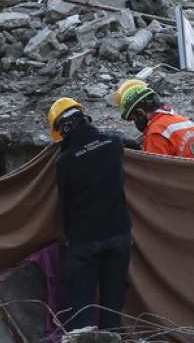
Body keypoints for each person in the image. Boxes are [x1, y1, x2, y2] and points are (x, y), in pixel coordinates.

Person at [50, 98, 132, 331]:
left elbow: (65, 203)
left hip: (85, 239)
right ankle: (112, 336)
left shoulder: (64, 161)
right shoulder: (114, 143)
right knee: (113, 298)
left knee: (82, 300)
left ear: (65, 128)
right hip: (119, 233)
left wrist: (70, 236)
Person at [119, 83, 194, 159]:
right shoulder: (191, 125)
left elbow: (155, 171)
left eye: (134, 118)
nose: (135, 122)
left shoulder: (156, 133)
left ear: (141, 112)